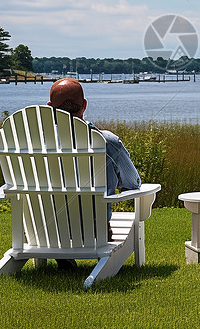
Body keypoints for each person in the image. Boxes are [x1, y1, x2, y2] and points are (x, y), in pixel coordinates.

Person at [47, 78, 141, 269]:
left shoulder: (34, 144)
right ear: (84, 105)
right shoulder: (107, 141)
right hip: (95, 232)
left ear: (49, 107)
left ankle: (63, 255)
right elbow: (132, 183)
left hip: (49, 231)